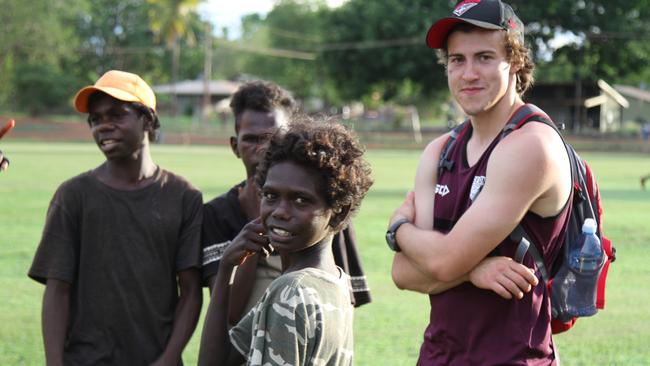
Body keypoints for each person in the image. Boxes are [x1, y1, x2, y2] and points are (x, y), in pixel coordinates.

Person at [388, 1, 572, 364]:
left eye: (484, 57)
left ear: (515, 61)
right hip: (438, 355)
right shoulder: (440, 151)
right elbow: (403, 272)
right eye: (457, 60)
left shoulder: (530, 146)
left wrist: (399, 229)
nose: (468, 73)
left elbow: (439, 265)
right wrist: (474, 270)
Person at [28, 70, 203, 365]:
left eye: (116, 115)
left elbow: (190, 291)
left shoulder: (184, 196)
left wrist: (169, 359)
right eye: (95, 120)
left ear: (148, 120)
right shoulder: (73, 195)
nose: (103, 127)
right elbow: (57, 290)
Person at [198, 117, 373, 365]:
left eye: (301, 200)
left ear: (339, 212)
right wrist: (227, 267)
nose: (280, 211)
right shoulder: (336, 280)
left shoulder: (291, 291)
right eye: (270, 195)